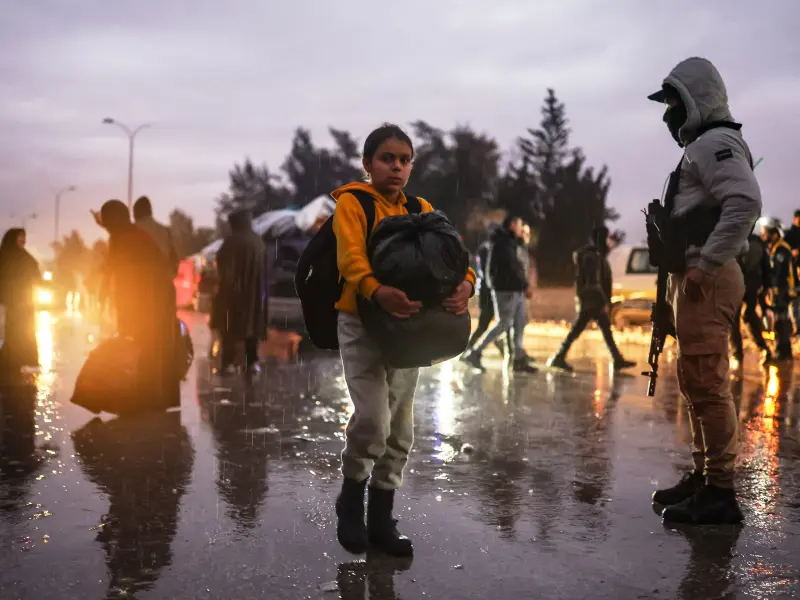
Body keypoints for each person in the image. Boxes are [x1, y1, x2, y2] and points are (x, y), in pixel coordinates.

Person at [332, 123, 476, 557]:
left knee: (399, 428)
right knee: (374, 419)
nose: (396, 167)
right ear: (367, 163)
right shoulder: (353, 203)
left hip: (409, 327)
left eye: (404, 160)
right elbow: (351, 259)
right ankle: (351, 499)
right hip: (362, 321)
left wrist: (467, 283)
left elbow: (454, 254)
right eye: (387, 159)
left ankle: (381, 519)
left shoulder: (421, 208)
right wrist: (377, 291)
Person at [646, 57, 761, 525]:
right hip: (693, 276)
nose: (667, 112)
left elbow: (746, 202)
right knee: (695, 380)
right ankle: (704, 476)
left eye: (673, 101)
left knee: (708, 385)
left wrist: (707, 263)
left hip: (706, 278)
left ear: (695, 100)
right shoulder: (704, 146)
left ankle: (719, 491)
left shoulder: (716, 143)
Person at [94, 200, 180, 411]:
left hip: (149, 298)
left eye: (108, 220)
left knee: (146, 346)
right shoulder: (130, 234)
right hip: (153, 296)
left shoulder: (127, 238)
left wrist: (109, 298)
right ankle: (151, 397)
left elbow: (118, 270)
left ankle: (146, 398)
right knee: (152, 346)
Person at [547, 226, 636, 372]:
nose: (610, 241)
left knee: (600, 331)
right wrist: (603, 302)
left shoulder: (596, 255)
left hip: (592, 300)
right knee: (581, 330)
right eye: (607, 237)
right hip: (592, 301)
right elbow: (593, 283)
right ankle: (559, 356)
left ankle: (617, 359)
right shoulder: (592, 257)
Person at [461, 216, 537, 373]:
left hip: (515, 289)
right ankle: (474, 352)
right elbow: (512, 268)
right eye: (519, 225)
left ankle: (518, 359)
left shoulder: (510, 243)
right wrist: (524, 285)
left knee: (519, 322)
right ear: (512, 225)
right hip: (507, 290)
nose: (521, 228)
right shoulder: (503, 244)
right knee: (503, 323)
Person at [211, 209, 268, 376]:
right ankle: (252, 363)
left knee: (229, 329)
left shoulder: (231, 242)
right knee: (252, 330)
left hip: (233, 295)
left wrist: (223, 292)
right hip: (255, 296)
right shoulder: (258, 242)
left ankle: (228, 363)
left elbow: (224, 270)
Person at [0, 228, 41, 370]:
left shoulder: (25, 256)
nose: (23, 240)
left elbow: (35, 273)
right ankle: (12, 360)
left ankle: (24, 358)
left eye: (24, 237)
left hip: (25, 299)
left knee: (26, 329)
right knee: (14, 329)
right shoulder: (5, 256)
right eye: (20, 237)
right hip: (12, 300)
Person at [730, 233, 772, 365]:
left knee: (733, 319)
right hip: (753, 284)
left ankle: (737, 355)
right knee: (749, 315)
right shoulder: (757, 240)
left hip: (737, 285)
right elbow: (766, 265)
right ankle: (763, 348)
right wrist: (766, 286)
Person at [466, 225, 505, 356]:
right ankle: (469, 349)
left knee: (500, 323)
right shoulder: (490, 249)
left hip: (485, 289)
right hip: (487, 291)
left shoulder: (485, 248)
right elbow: (486, 271)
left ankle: (504, 349)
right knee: (486, 323)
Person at [762, 221, 794, 361]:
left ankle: (783, 351)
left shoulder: (781, 250)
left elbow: (780, 274)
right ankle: (783, 350)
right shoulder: (775, 249)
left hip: (782, 291)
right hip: (779, 291)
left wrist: (774, 290)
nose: (764, 236)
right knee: (779, 320)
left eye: (767, 233)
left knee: (781, 321)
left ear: (774, 234)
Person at [133, 196, 179, 279]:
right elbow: (173, 259)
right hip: (161, 279)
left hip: (136, 280)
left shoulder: (131, 231)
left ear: (135, 213)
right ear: (150, 211)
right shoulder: (165, 231)